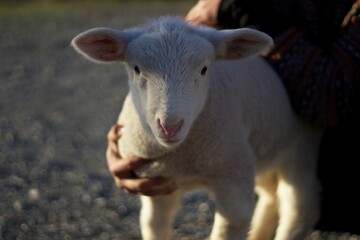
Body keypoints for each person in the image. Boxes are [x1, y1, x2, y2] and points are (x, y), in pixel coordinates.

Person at [106, 0, 360, 234]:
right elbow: (180, 39)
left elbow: (335, 95)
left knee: (296, 195)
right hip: (254, 78)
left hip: (312, 116)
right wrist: (126, 144)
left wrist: (236, 6)